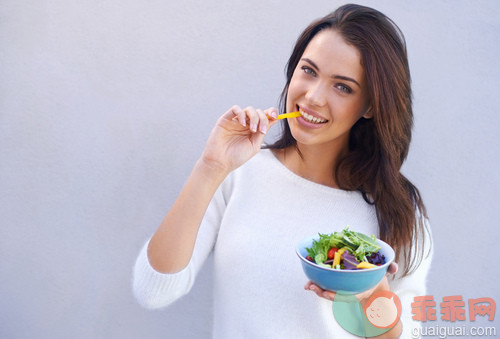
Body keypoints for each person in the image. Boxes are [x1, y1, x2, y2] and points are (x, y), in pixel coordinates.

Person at [133, 4, 432, 338]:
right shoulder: (239, 172)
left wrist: (374, 298)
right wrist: (210, 167)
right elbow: (154, 290)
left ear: (371, 106)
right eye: (309, 71)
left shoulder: (398, 210)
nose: (314, 97)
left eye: (343, 87)